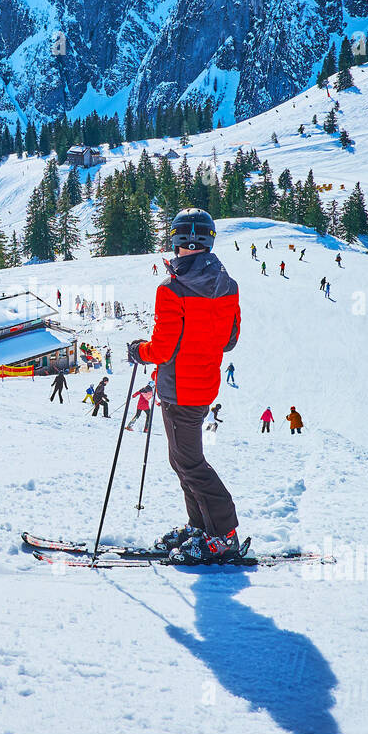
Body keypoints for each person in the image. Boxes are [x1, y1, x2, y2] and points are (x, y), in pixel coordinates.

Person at [127, 208, 243, 564]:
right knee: (182, 461)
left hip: (179, 389)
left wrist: (138, 351)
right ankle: (202, 527)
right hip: (203, 385)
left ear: (175, 242)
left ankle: (223, 535)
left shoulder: (171, 289)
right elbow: (230, 340)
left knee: (189, 463)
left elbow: (161, 348)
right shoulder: (227, 285)